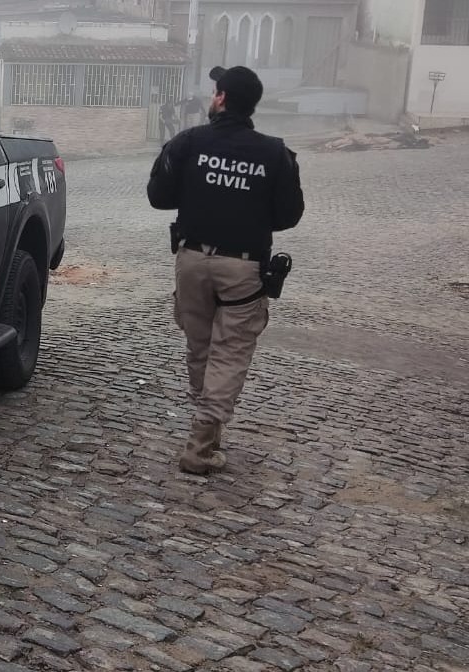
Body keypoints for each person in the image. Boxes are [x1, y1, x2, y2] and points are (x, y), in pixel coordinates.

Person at [146, 66, 305, 474]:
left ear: (220, 98)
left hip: (192, 262)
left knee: (200, 347)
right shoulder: (275, 153)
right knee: (230, 352)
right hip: (242, 268)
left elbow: (158, 196)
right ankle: (201, 445)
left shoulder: (189, 141)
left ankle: (208, 429)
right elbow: (289, 215)